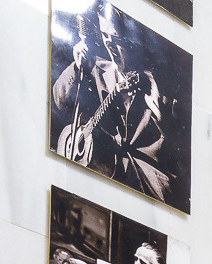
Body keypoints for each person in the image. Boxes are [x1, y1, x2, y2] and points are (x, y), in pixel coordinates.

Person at [51, 3, 173, 202]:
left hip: (146, 177)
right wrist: (76, 67)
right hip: (100, 170)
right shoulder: (95, 68)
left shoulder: (155, 84)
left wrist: (160, 115)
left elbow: (177, 151)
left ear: (134, 42)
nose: (110, 45)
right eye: (105, 36)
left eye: (117, 40)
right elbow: (59, 101)